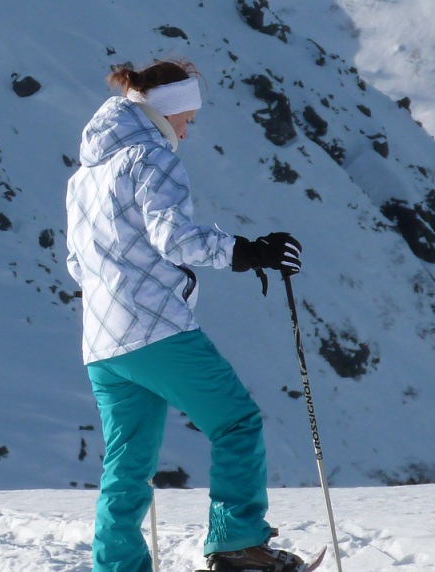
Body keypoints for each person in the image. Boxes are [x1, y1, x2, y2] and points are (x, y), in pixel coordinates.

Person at [65, 58, 306, 572]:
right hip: (155, 327)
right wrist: (249, 251)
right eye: (187, 118)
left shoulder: (82, 177)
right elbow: (174, 238)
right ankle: (238, 544)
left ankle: (118, 567)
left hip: (103, 344)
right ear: (166, 109)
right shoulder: (152, 158)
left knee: (126, 465)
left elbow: (74, 263)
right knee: (236, 421)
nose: (186, 130)